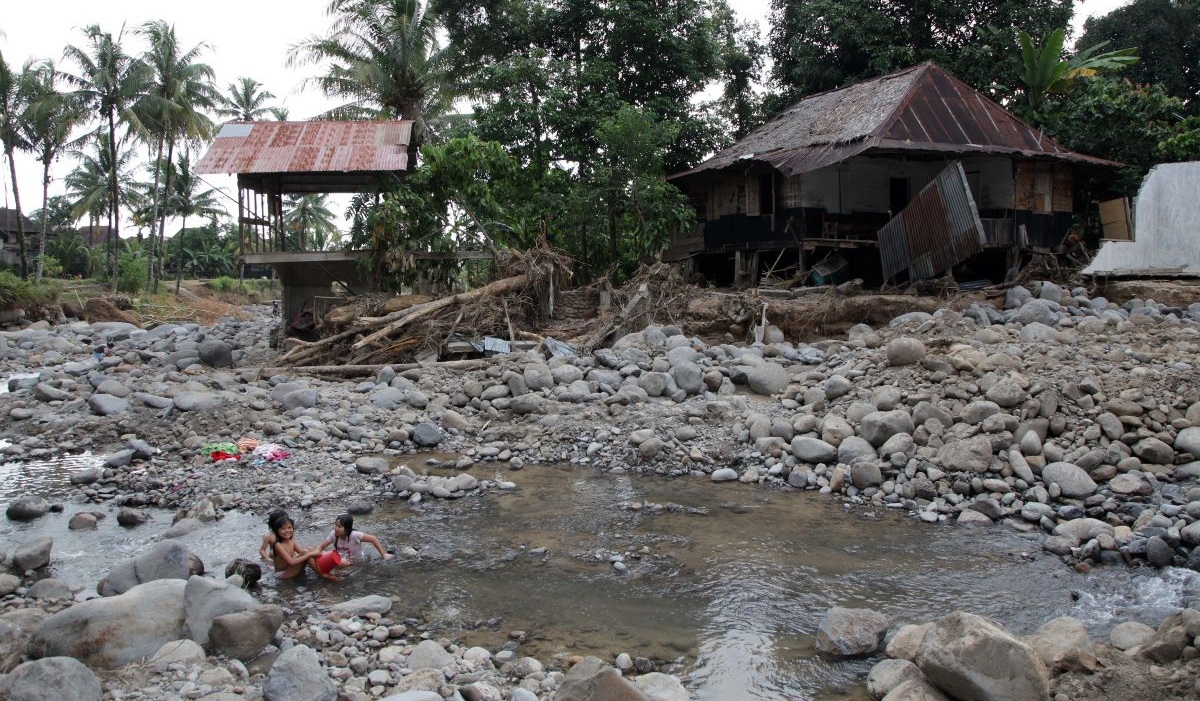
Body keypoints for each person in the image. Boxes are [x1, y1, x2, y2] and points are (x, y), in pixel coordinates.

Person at [267, 511, 340, 581]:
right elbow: (291, 562)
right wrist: (311, 553)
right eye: (283, 528)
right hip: (283, 574)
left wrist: (317, 553)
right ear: (277, 531)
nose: (287, 531)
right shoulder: (278, 545)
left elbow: (301, 551)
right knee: (307, 552)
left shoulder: (291, 540)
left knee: (309, 549)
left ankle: (324, 567)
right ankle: (323, 574)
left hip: (290, 569)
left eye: (289, 528)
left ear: (293, 528)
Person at [317, 514, 393, 566]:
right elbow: (321, 547)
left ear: (347, 529)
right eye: (335, 525)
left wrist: (383, 555)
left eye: (339, 526)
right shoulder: (333, 534)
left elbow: (373, 538)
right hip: (339, 559)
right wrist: (318, 552)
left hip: (354, 562)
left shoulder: (354, 535)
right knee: (321, 553)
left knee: (341, 563)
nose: (336, 528)